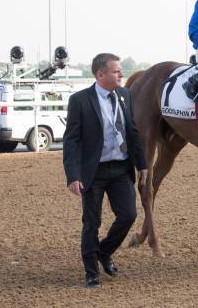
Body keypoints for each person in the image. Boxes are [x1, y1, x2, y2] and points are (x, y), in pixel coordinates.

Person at [63, 53, 148, 288]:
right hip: (93, 172)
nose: (121, 74)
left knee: (129, 215)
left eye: (120, 70)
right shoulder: (80, 100)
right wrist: (73, 175)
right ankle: (91, 272)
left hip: (121, 168)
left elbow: (132, 130)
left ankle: (103, 251)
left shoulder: (124, 95)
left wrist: (142, 164)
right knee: (92, 222)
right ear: (100, 74)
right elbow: (71, 142)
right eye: (116, 71)